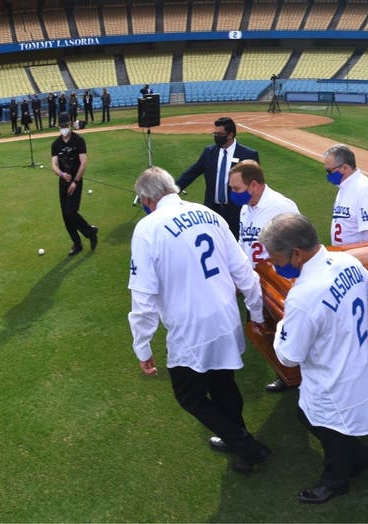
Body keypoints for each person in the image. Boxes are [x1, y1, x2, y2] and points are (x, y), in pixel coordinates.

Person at [128, 166, 270, 474]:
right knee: (223, 383)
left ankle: (246, 445)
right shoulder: (209, 214)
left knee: (190, 395)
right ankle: (239, 439)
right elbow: (243, 270)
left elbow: (143, 297)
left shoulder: (147, 228)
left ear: (147, 199)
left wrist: (143, 345)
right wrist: (256, 313)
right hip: (225, 314)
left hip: (191, 324)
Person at [262, 213, 368, 504]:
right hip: (354, 363)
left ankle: (336, 480)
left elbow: (290, 356)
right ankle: (361, 454)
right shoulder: (348, 261)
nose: (275, 266)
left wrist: (281, 326)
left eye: (277, 259)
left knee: (320, 422)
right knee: (320, 420)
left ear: (297, 253)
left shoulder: (303, 295)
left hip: (329, 376)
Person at [227, 159, 300, 393]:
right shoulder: (245, 209)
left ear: (254, 185)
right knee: (264, 332)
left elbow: (300, 245)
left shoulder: (281, 206)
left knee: (288, 331)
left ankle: (299, 374)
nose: (232, 193)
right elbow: (244, 245)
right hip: (254, 284)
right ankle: (284, 372)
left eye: (236, 188)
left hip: (279, 286)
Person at [176, 117, 260, 238]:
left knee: (237, 244)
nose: (216, 136)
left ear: (230, 135)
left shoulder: (247, 155)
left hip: (237, 211)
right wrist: (174, 189)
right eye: (214, 133)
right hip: (212, 210)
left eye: (219, 134)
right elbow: (191, 173)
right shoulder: (209, 152)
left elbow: (255, 184)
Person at [51, 112, 97, 256]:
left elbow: (83, 163)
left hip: (76, 181)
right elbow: (54, 165)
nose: (63, 128)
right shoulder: (56, 144)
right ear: (58, 126)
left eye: (66, 125)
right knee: (65, 216)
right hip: (63, 182)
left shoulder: (78, 140)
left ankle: (89, 232)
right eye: (61, 126)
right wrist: (62, 174)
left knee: (71, 212)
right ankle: (78, 243)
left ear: (70, 124)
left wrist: (75, 182)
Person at [324, 143, 368, 246]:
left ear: (344, 168)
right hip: (342, 256)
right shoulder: (344, 185)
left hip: (355, 257)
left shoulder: (363, 189)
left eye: (329, 171)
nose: (328, 175)